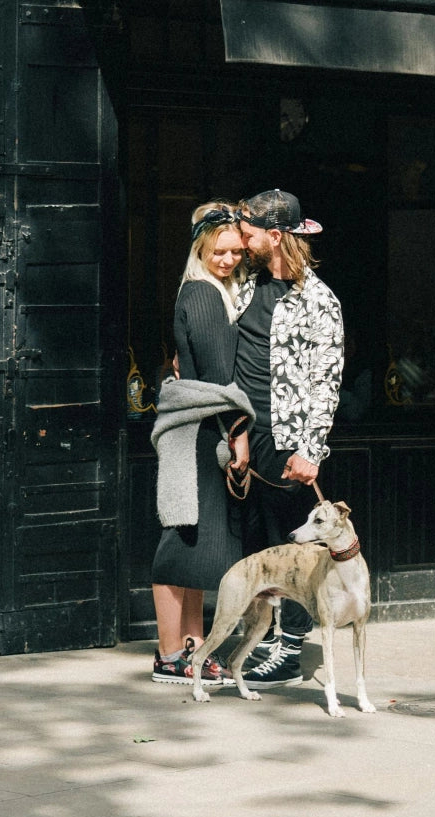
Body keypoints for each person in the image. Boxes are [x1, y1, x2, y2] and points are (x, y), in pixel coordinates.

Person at [231, 189, 345, 689]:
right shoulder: (244, 284)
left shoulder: (319, 301)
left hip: (286, 440)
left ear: (275, 236)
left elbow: (327, 379)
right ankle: (260, 638)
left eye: (250, 232)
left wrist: (311, 449)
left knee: (290, 550)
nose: (242, 239)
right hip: (242, 434)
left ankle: (290, 647)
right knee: (254, 544)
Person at [149, 202, 254, 685]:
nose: (229, 259)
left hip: (194, 433)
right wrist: (239, 436)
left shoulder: (202, 292)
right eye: (219, 250)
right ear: (200, 248)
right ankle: (170, 653)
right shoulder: (206, 297)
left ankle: (191, 647)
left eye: (236, 251)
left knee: (193, 544)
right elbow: (218, 379)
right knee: (180, 540)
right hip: (198, 436)